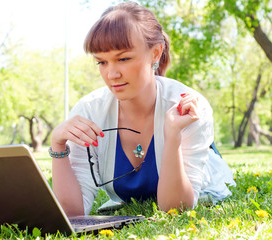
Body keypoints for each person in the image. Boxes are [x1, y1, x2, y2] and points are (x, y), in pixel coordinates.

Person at [50, 1, 235, 217]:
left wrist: (173, 136)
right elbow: (72, 213)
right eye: (102, 62)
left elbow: (175, 209)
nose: (112, 74)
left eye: (124, 59)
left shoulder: (188, 106)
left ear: (155, 53)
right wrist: (58, 145)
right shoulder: (89, 111)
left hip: (205, 183)